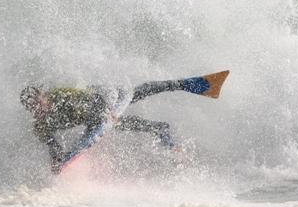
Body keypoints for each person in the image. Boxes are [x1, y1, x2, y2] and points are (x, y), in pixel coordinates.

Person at [20, 71, 228, 172]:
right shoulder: (41, 125)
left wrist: (109, 109)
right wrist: (58, 161)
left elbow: (93, 95)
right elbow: (53, 146)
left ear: (43, 96)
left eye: (38, 102)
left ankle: (194, 84)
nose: (38, 109)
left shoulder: (60, 95)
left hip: (108, 98)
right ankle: (161, 129)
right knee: (121, 124)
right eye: (32, 108)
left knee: (139, 92)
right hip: (96, 121)